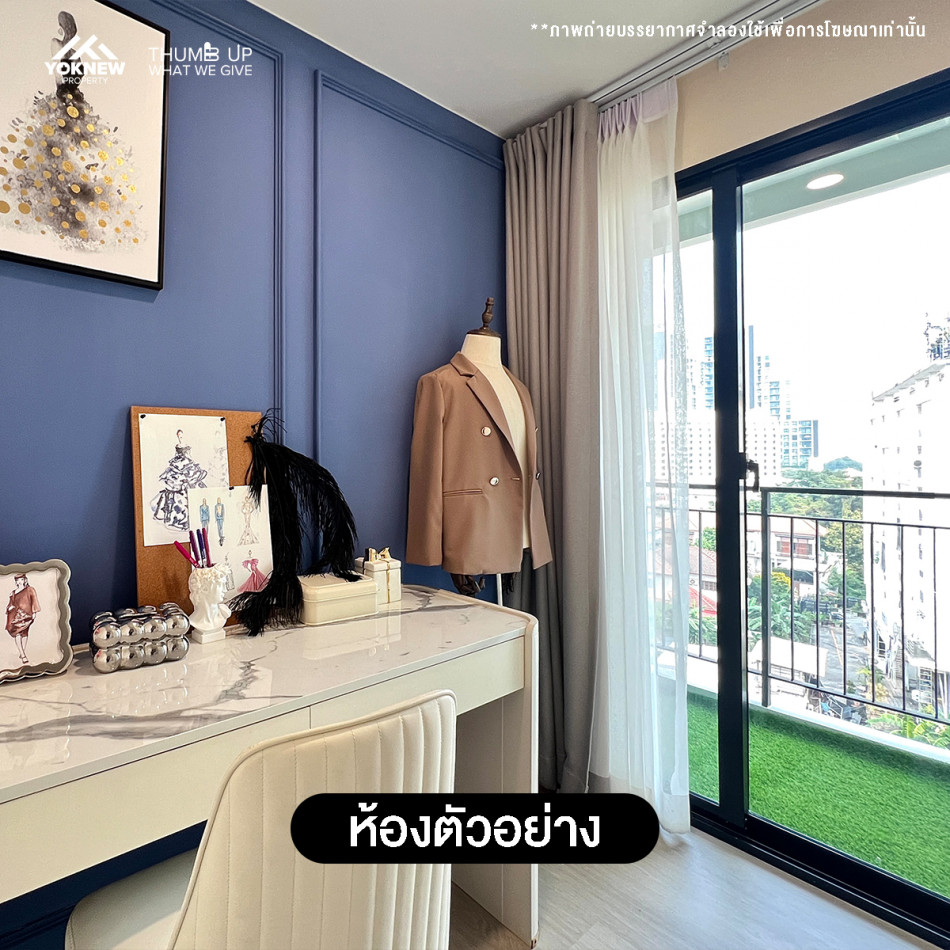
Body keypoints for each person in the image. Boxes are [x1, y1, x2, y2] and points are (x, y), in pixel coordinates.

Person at [6, 574, 40, 664]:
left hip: (27, 615)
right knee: (17, 633)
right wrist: (9, 608)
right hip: (15, 616)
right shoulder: (13, 593)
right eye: (17, 580)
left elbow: (34, 600)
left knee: (24, 634)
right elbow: (10, 604)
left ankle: (22, 652)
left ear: (25, 580)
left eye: (21, 579)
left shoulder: (30, 589)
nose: (19, 582)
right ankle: (23, 655)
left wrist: (34, 612)